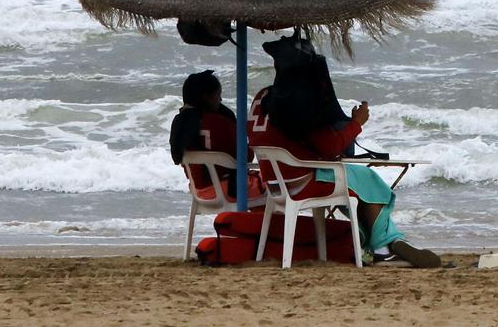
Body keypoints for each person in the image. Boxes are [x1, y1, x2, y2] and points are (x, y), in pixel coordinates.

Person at [248, 35, 440, 269]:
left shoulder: (263, 96)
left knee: (354, 185)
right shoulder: (297, 101)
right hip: (303, 180)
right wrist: (356, 123)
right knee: (369, 180)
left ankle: (385, 242)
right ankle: (383, 246)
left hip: (275, 181)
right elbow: (330, 146)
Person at [168, 70, 253, 202]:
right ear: (206, 97)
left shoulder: (180, 124)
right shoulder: (220, 123)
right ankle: (251, 222)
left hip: (198, 191)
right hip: (229, 191)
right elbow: (246, 157)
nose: (220, 99)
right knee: (271, 187)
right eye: (218, 94)